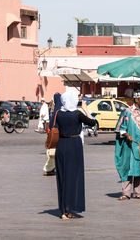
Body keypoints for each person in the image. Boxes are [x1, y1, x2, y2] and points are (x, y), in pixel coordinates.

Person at [55, 91, 95, 219]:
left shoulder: (58, 114)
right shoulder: (77, 114)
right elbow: (93, 123)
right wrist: (85, 109)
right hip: (74, 145)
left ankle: (64, 210)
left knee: (63, 177)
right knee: (73, 177)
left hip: (61, 144)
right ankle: (69, 208)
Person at [43, 93, 62, 176]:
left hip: (54, 134)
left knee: (51, 152)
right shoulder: (61, 110)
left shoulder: (55, 111)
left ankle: (49, 169)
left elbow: (52, 124)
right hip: (60, 135)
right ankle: (53, 168)